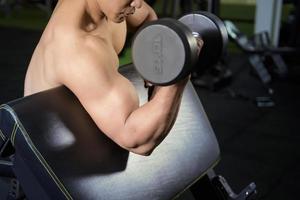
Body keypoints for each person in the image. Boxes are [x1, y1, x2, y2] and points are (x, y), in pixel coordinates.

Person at [24, 0, 193, 156]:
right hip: (52, 163)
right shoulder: (75, 50)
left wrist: (154, 68)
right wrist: (178, 73)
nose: (138, 2)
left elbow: (147, 16)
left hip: (89, 137)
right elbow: (138, 142)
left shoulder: (107, 6)